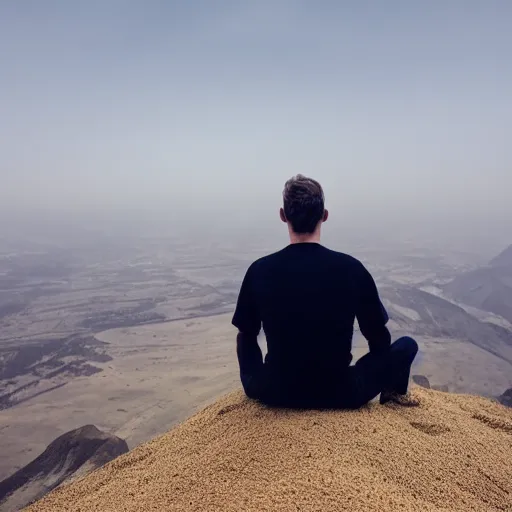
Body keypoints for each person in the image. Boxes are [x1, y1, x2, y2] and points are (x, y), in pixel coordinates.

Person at [232, 174, 419, 408]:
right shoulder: (352, 269)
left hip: (275, 392)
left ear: (283, 215)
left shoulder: (259, 270)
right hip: (342, 393)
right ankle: (393, 395)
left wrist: (259, 382)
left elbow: (246, 335)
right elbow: (378, 336)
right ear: (325, 215)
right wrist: (378, 372)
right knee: (407, 345)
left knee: (245, 338)